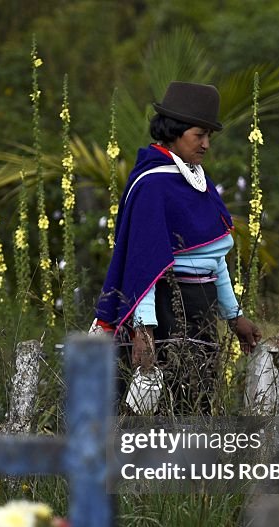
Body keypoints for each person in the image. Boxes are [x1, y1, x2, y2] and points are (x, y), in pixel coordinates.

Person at [93, 81, 261, 414]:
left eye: (209, 136)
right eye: (199, 135)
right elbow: (145, 268)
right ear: (175, 131)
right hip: (167, 310)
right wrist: (144, 331)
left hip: (203, 310)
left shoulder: (197, 180)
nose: (206, 144)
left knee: (198, 403)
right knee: (163, 409)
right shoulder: (152, 184)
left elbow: (215, 258)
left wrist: (235, 316)